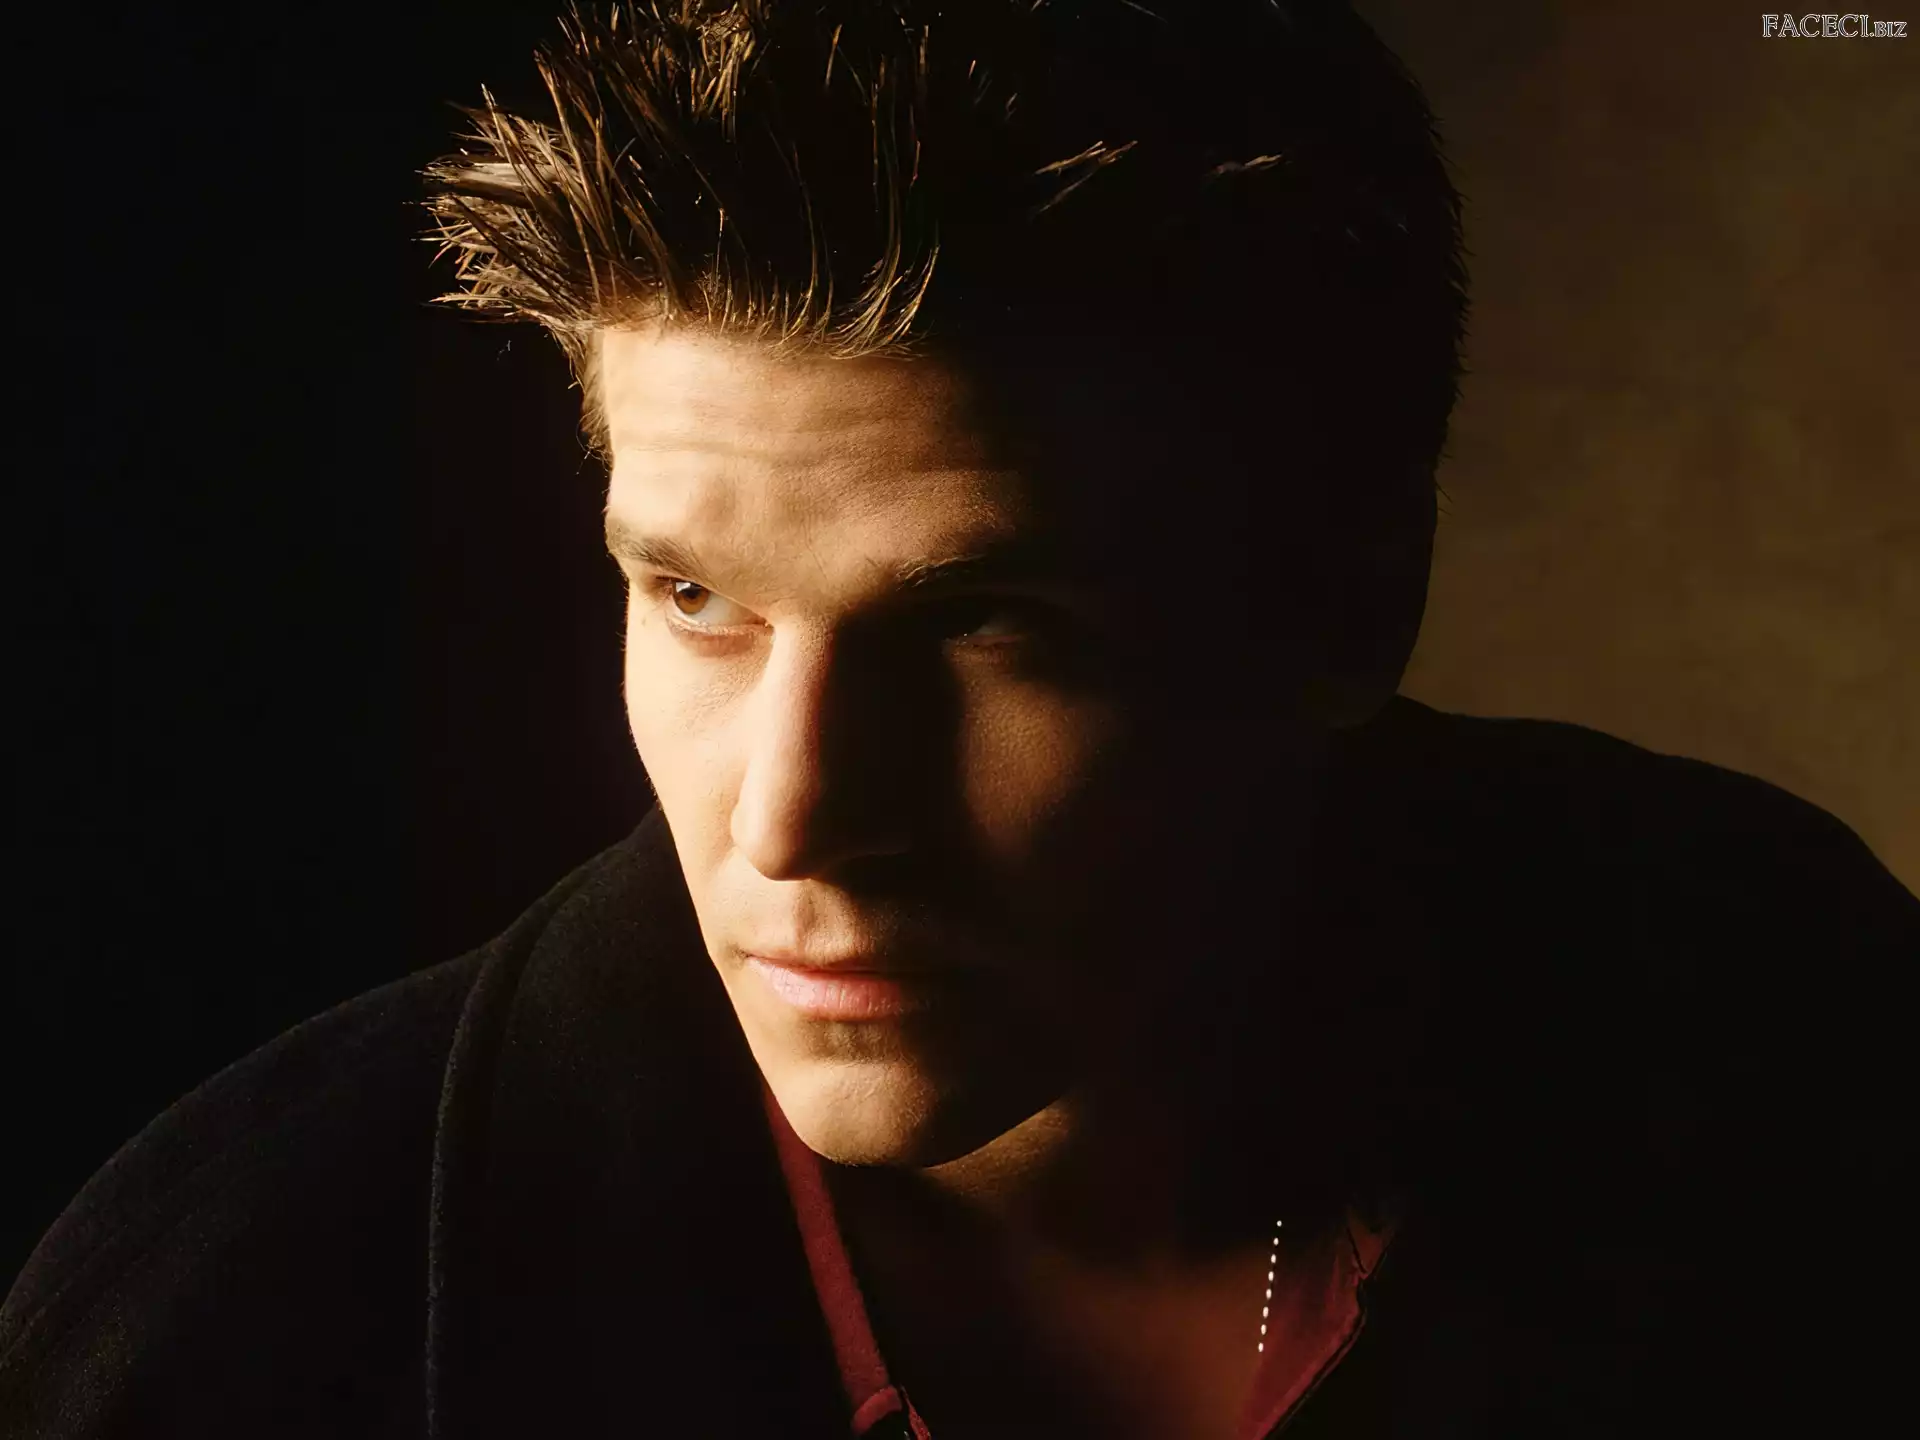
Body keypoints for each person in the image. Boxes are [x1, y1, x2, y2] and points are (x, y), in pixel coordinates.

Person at [3, 2, 1913, 1436]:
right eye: (696, 600)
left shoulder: (1790, 1026)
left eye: (988, 623)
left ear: (1352, 601)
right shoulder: (225, 1328)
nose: (793, 819)